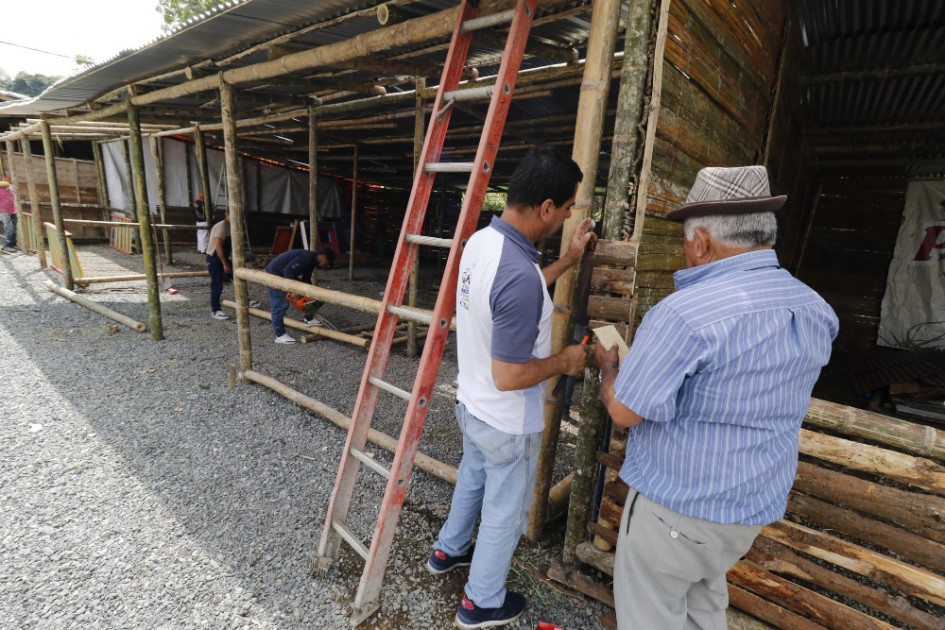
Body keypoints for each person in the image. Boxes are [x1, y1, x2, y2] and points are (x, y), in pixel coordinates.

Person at [594, 165, 838, 630]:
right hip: (747, 509)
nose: (686, 253)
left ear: (702, 241)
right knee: (704, 606)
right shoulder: (814, 308)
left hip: (678, 512)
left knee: (651, 617)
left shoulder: (685, 314)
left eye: (687, 242)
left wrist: (610, 367)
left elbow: (625, 411)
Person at [427, 146, 597, 629]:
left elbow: (512, 296)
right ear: (546, 207)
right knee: (503, 513)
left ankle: (449, 550)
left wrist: (567, 260)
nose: (566, 217)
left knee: (473, 477)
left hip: (471, 403)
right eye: (566, 210)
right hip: (504, 417)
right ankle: (480, 602)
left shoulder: (483, 242)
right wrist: (565, 360)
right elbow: (510, 375)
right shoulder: (518, 274)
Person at [264, 248, 334, 344]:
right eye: (327, 262)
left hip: (284, 273)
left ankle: (308, 318)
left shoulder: (312, 262)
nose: (326, 265)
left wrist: (309, 293)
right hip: (275, 274)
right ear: (323, 257)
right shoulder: (306, 257)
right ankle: (279, 335)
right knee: (280, 305)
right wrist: (294, 290)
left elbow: (306, 279)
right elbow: (288, 270)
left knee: (307, 297)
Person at [206, 211, 231, 321]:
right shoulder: (221, 227)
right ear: (226, 214)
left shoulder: (230, 226)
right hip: (215, 258)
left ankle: (245, 300)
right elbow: (218, 247)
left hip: (224, 257)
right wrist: (225, 264)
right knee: (217, 284)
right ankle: (215, 310)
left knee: (237, 277)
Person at [0, 180, 18, 253]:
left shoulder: (11, 188)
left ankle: (13, 243)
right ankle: (7, 245)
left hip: (12, 210)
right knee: (9, 227)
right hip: (3, 211)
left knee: (14, 227)